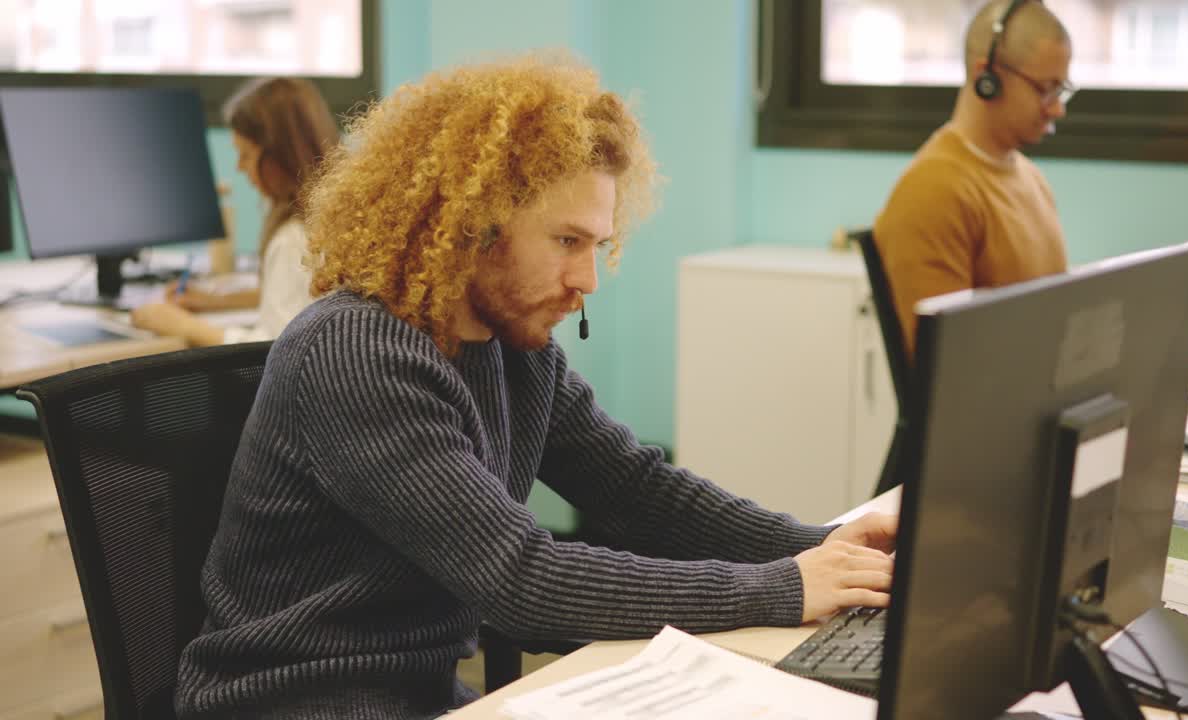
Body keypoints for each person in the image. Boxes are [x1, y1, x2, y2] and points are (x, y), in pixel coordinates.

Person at [173, 55, 898, 719]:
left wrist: (826, 548)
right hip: (292, 702)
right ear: (472, 225)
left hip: (415, 697)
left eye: (598, 245)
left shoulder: (513, 347)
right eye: (567, 242)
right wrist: (786, 588)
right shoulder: (356, 353)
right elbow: (520, 580)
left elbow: (638, 490)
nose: (587, 280)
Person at [873, 0, 1188, 361]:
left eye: (1061, 90)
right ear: (987, 78)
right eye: (1046, 89)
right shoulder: (933, 192)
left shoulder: (1030, 179)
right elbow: (945, 370)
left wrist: (1156, 339)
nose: (1058, 109)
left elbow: (1055, 323)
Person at [131, 77, 339, 345]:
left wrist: (179, 325)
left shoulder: (292, 238)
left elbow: (273, 350)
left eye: (246, 155)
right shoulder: (329, 218)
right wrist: (216, 302)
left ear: (278, 156)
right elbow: (299, 295)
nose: (240, 168)